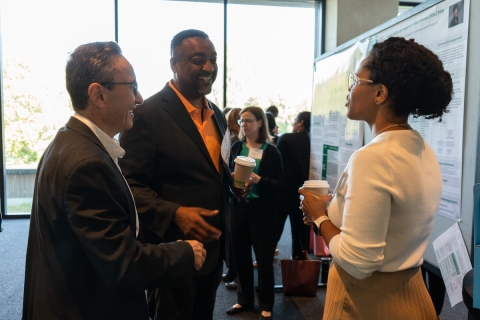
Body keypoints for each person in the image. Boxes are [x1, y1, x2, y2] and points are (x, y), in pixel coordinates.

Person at [22, 41, 206, 320]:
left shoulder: (69, 140)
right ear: (99, 94)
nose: (140, 98)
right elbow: (122, 265)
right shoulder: (88, 164)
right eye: (132, 86)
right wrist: (184, 252)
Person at [299, 37, 452, 319]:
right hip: (411, 293)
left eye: (356, 80)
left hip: (367, 302)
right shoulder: (419, 146)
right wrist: (338, 205)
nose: (349, 87)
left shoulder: (373, 157)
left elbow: (358, 262)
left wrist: (319, 217)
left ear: (380, 93)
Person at [119, 29, 248, 320]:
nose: (209, 68)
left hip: (212, 251)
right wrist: (174, 213)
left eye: (213, 60)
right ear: (174, 64)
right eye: (197, 60)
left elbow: (216, 169)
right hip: (171, 250)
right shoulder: (147, 114)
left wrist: (235, 185)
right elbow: (127, 184)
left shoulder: (216, 114)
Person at [226, 106, 283, 319]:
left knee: (264, 259)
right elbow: (226, 176)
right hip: (238, 210)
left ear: (260, 123)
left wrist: (261, 181)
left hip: (263, 213)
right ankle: (245, 301)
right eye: (242, 121)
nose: (244, 124)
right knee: (240, 257)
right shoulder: (236, 147)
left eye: (249, 120)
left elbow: (280, 184)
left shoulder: (271, 151)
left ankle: (266, 303)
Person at [275, 111, 311, 259]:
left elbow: (275, 163)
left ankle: (266, 256)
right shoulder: (315, 141)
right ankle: (300, 265)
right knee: (300, 233)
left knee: (275, 229)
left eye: (295, 120)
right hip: (305, 193)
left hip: (283, 192)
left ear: (301, 122)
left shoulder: (286, 138)